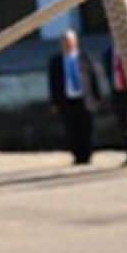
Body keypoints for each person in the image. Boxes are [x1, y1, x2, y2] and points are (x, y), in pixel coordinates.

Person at [47, 28, 107, 164]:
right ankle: (77, 155)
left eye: (70, 41)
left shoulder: (85, 58)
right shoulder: (55, 62)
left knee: (87, 128)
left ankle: (87, 154)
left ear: (75, 42)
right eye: (65, 42)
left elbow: (94, 78)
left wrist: (98, 97)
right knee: (71, 129)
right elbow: (52, 83)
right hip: (67, 100)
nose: (67, 44)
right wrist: (54, 102)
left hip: (85, 99)